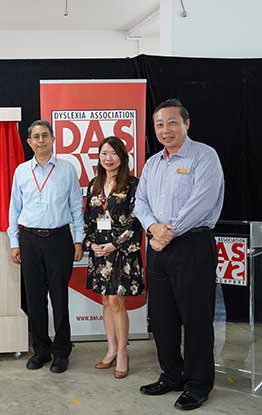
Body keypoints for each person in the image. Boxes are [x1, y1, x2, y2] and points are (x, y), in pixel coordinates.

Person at [134, 98, 224, 411]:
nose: (165, 129)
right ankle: (171, 374)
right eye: (159, 124)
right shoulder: (152, 163)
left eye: (172, 122)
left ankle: (198, 384)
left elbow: (202, 202)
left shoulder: (204, 156)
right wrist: (152, 230)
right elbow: (139, 202)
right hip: (157, 246)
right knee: (161, 318)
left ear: (187, 123)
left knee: (196, 318)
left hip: (192, 246)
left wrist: (167, 232)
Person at [8, 120, 84, 374]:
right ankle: (41, 350)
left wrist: (79, 239)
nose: (40, 140)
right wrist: (13, 242)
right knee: (35, 298)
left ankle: (61, 352)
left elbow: (76, 206)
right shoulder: (21, 171)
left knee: (59, 298)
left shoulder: (66, 170)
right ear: (29, 142)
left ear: (53, 139)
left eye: (45, 136)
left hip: (59, 240)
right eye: (36, 137)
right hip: (29, 240)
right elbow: (14, 209)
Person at [83, 136, 144, 379]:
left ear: (122, 157)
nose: (108, 158)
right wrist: (92, 244)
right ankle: (110, 350)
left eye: (113, 154)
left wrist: (113, 244)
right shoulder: (94, 184)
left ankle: (122, 353)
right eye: (104, 153)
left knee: (117, 302)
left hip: (121, 253)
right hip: (99, 253)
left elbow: (136, 220)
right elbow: (89, 219)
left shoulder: (133, 184)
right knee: (106, 302)